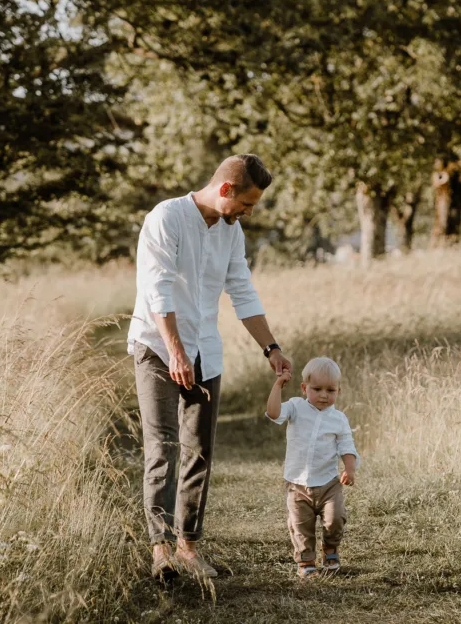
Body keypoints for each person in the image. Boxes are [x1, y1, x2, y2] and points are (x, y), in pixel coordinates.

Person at [128, 154, 293, 580]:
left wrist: (271, 348)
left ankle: (188, 548)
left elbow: (242, 290)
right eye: (246, 203)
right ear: (225, 189)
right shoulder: (166, 218)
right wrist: (176, 352)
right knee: (163, 447)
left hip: (205, 350)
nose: (248, 213)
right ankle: (160, 550)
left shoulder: (230, 232)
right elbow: (157, 290)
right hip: (157, 347)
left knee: (199, 451)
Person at [266, 356, 360, 578]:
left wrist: (349, 469)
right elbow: (274, 413)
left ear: (338, 391)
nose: (324, 395)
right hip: (297, 483)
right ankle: (306, 562)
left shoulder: (338, 419)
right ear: (304, 388)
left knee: (335, 519)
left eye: (330, 390)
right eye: (317, 389)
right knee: (300, 526)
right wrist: (278, 385)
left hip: (328, 483)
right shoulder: (296, 407)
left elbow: (347, 445)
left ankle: (330, 548)